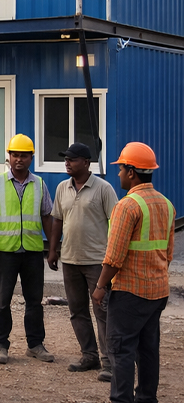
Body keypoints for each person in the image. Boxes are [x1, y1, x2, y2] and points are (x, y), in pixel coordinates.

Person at [91, 142, 175, 403]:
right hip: (157, 291)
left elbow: (114, 257)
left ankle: (121, 399)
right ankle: (147, 398)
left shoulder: (127, 206)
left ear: (131, 172)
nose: (118, 174)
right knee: (148, 348)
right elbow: (168, 253)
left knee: (121, 349)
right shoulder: (167, 205)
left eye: (121, 169)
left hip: (130, 293)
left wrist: (100, 286)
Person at [0, 133, 55, 364]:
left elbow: (47, 217)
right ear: (8, 157)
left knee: (34, 301)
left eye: (24, 156)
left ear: (31, 158)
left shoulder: (39, 184)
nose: (19, 160)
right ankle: (1, 345)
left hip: (32, 252)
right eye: (15, 155)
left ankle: (35, 344)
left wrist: (52, 248)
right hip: (5, 252)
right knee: (2, 301)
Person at [47, 142, 117, 382]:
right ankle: (90, 356)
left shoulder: (103, 189)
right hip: (70, 260)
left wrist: (112, 258)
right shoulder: (61, 188)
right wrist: (53, 250)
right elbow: (57, 220)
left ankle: (110, 362)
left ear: (86, 163)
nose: (67, 163)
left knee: (103, 311)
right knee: (77, 311)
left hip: (97, 261)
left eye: (72, 159)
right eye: (66, 159)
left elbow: (115, 224)